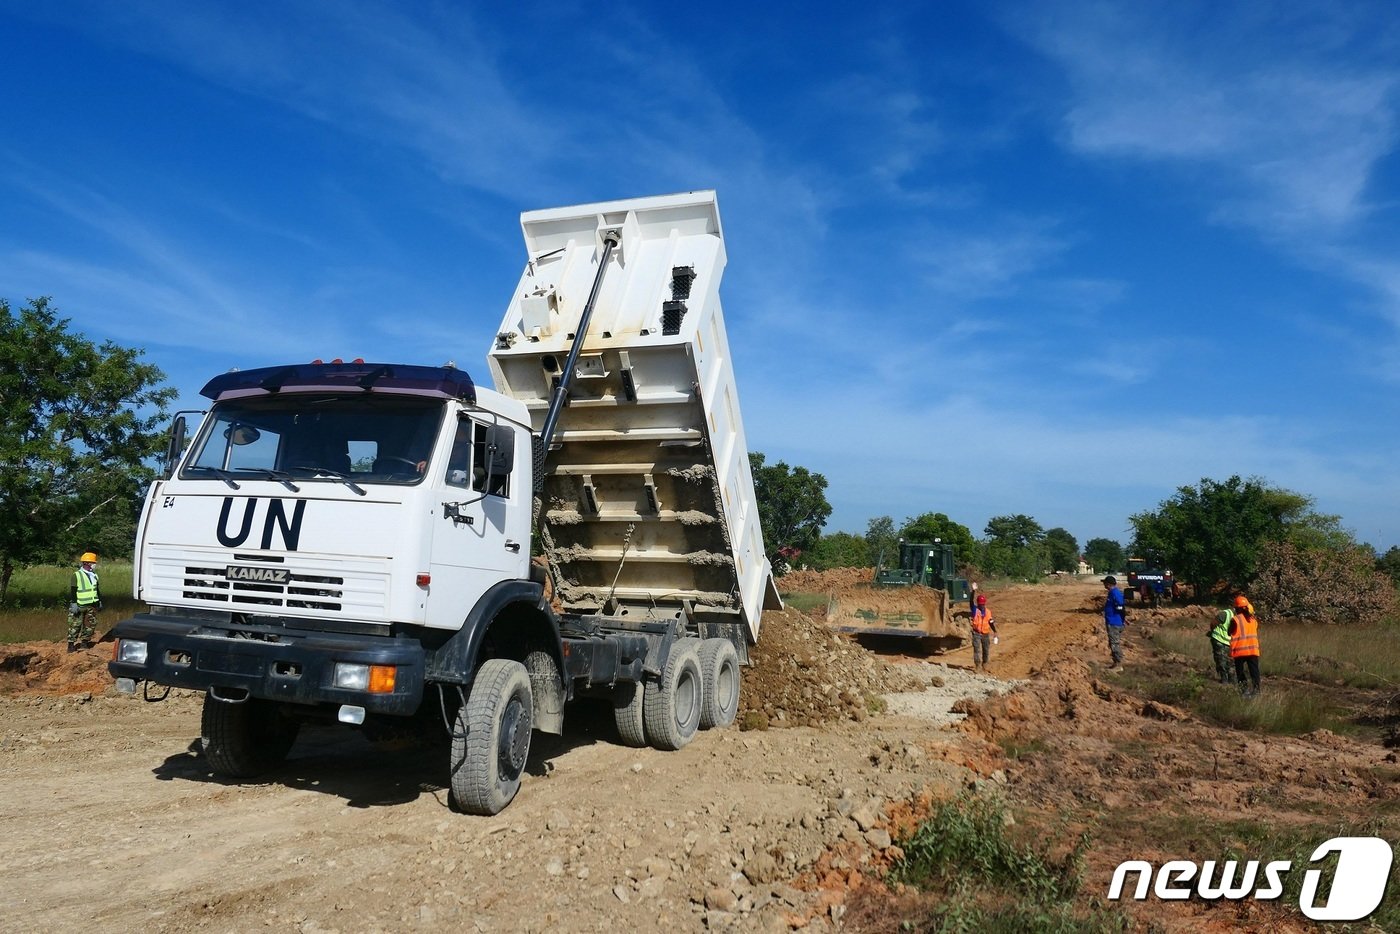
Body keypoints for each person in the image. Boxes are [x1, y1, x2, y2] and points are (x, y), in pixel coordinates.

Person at [66, 551, 102, 653]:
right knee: (75, 625)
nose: (94, 565)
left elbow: (96, 589)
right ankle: (71, 645)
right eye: (93, 563)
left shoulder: (94, 575)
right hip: (79, 604)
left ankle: (84, 642)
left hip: (92, 604)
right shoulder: (76, 575)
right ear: (86, 563)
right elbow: (73, 590)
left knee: (90, 625)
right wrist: (74, 603)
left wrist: (99, 601)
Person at [1229, 594, 1262, 696]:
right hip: (1253, 651)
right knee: (1254, 672)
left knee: (1240, 672)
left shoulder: (1235, 620)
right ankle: (1256, 691)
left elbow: (1229, 632)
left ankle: (1244, 691)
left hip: (1240, 651)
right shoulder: (1253, 620)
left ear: (1237, 608)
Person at [1102, 575, 1127, 670]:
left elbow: (1120, 606)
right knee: (1113, 642)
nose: (1104, 585)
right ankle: (1116, 663)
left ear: (1108, 584)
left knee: (1114, 643)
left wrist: (1122, 616)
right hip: (1113, 621)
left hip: (1114, 623)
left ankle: (1119, 664)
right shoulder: (1112, 592)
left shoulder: (1115, 593)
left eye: (1105, 583)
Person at [970, 593, 998, 673]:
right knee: (977, 650)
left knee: (986, 650)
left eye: (982, 604)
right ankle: (978, 665)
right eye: (980, 604)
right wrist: (973, 591)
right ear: (978, 603)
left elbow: (991, 622)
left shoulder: (988, 612)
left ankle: (985, 664)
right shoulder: (975, 610)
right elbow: (971, 601)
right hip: (977, 633)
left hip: (985, 634)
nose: (981, 605)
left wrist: (995, 631)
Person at [1209, 608, 1235, 684]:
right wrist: (1213, 632)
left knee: (1230, 662)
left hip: (1229, 642)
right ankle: (1224, 680)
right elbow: (1213, 623)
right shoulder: (1225, 614)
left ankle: (1231, 681)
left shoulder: (1239, 618)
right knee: (1221, 660)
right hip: (1219, 640)